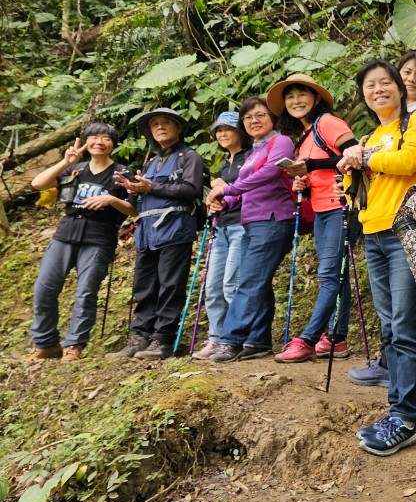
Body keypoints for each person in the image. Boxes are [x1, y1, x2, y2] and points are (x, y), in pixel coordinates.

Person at [336, 60, 416, 456]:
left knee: (407, 328)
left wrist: (366, 159)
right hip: (373, 233)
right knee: (390, 328)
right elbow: (355, 190)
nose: (378, 90)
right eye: (370, 86)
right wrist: (350, 166)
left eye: (385, 83)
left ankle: (405, 419)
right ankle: (396, 412)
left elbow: (411, 161)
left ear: (400, 87)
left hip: (405, 234)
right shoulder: (370, 134)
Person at [271, 74, 359, 363]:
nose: (296, 100)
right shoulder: (305, 137)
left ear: (316, 98)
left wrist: (310, 164)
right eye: (290, 96)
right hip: (322, 209)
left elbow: (355, 155)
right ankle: (336, 338)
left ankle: (308, 339)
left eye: (302, 94)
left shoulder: (328, 124)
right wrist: (304, 183)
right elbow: (321, 172)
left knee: (330, 275)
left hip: (341, 205)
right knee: (337, 275)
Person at [28, 123, 134, 361]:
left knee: (85, 293)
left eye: (106, 138)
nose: (99, 142)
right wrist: (66, 161)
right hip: (65, 235)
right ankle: (46, 343)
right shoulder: (74, 169)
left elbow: (135, 210)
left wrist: (111, 200)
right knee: (44, 288)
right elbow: (38, 184)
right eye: (94, 137)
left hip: (98, 237)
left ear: (113, 144)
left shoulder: (122, 173)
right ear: (85, 142)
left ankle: (74, 346)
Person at [206, 97, 297, 363]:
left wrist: (230, 189)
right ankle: (257, 340)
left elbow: (271, 172)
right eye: (248, 118)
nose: (253, 121)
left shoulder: (281, 142)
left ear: (273, 118)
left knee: (248, 280)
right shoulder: (255, 151)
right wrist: (225, 200)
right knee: (258, 281)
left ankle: (231, 340)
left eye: (260, 115)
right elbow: (246, 188)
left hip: (273, 219)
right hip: (250, 221)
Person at [111, 108, 205, 361]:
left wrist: (152, 186)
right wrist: (132, 188)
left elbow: (191, 190)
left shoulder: (189, 157)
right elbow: (139, 199)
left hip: (175, 229)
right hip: (146, 232)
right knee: (144, 286)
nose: (160, 127)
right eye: (155, 125)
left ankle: (163, 338)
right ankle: (140, 335)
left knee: (170, 285)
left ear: (179, 128)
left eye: (166, 123)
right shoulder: (150, 162)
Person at [193, 111, 250, 360]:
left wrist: (223, 193)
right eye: (218, 130)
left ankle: (236, 339)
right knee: (213, 287)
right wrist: (215, 201)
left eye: (228, 128)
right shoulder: (225, 164)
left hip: (241, 225)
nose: (222, 134)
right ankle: (216, 338)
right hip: (222, 227)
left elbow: (251, 190)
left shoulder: (250, 158)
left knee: (232, 285)